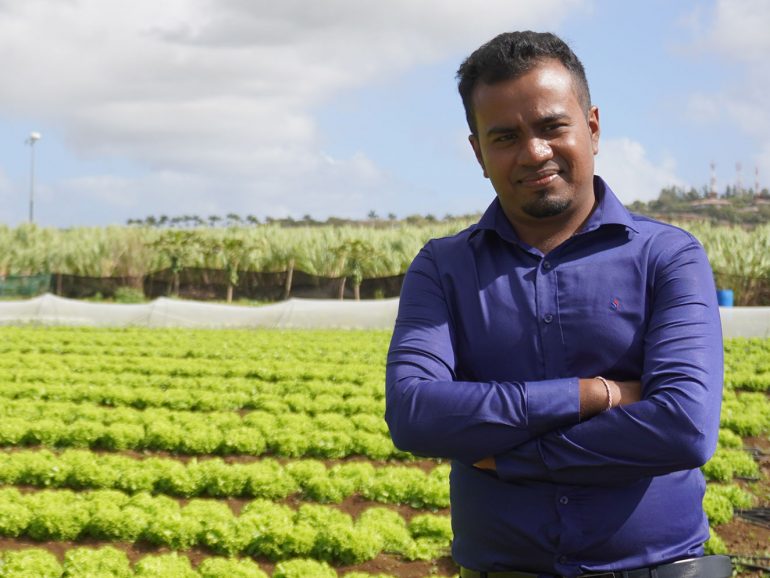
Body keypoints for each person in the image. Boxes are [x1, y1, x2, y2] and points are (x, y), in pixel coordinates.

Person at [385, 31, 731, 578]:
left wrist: (513, 456)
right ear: (478, 152)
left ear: (591, 126)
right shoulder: (443, 268)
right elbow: (414, 415)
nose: (534, 153)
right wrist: (594, 395)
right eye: (504, 136)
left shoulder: (668, 256)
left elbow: (684, 426)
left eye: (552, 127)